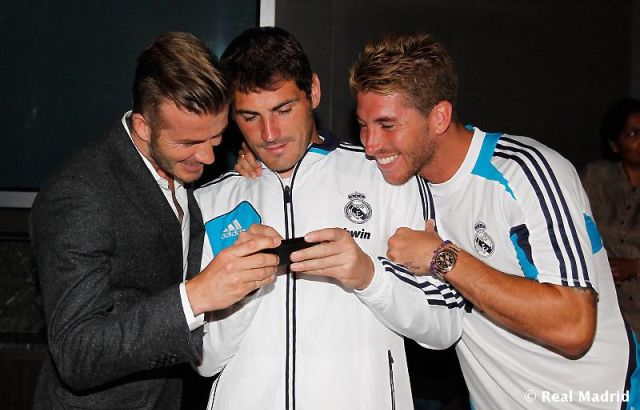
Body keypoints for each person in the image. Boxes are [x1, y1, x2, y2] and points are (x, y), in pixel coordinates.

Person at [349, 32, 637, 409]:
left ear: (439, 117)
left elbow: (574, 327)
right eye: (363, 124)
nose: (370, 144)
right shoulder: (401, 184)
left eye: (387, 125)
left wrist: (443, 257)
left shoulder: (525, 172)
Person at [194, 27, 465, 410]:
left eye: (283, 110)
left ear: (314, 92)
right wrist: (244, 289)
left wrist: (368, 276)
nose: (269, 134)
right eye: (250, 116)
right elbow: (204, 361)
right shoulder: (211, 201)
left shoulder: (386, 176)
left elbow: (446, 325)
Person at [29, 32, 279, 410]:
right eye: (188, 143)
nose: (208, 158)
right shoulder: (80, 194)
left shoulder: (183, 167)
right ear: (143, 127)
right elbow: (76, 353)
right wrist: (195, 296)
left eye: (216, 138)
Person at [581, 98, 640, 333]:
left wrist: (635, 266)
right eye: (633, 134)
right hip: (605, 304)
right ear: (615, 144)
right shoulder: (596, 177)